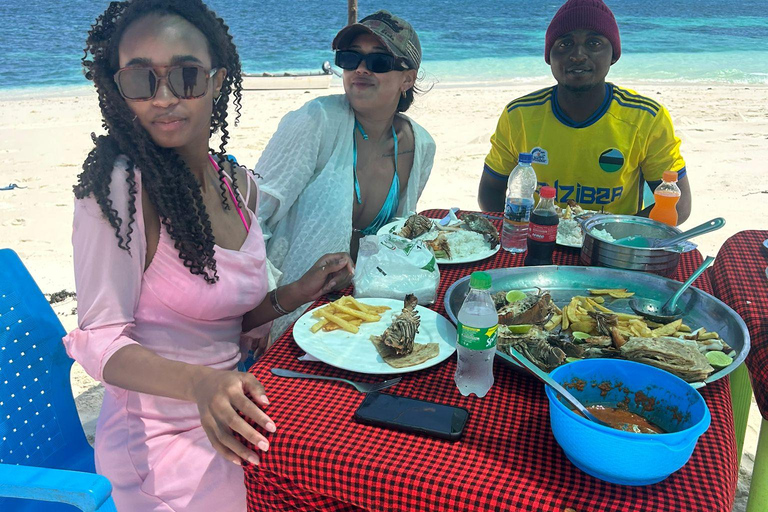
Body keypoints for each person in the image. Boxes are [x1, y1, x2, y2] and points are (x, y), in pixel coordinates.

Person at [63, 1, 352, 510]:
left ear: (217, 81)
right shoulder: (118, 190)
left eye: (186, 75)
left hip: (235, 399)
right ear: (117, 88)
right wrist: (201, 384)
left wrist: (295, 292)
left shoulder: (237, 186)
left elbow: (226, 319)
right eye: (140, 80)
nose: (164, 97)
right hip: (160, 440)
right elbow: (100, 342)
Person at [256, 10, 436, 337]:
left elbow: (397, 236)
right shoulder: (315, 122)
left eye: (379, 61)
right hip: (289, 311)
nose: (361, 69)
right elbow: (252, 219)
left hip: (365, 310)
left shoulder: (420, 146)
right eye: (350, 58)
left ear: (408, 78)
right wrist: (258, 309)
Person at [478, 0, 692, 224]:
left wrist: (612, 236)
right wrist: (523, 229)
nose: (578, 55)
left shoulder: (646, 118)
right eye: (564, 44)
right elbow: (490, 191)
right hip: (539, 238)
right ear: (548, 57)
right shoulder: (519, 115)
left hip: (613, 247)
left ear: (613, 55)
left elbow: (679, 203)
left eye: (594, 43)